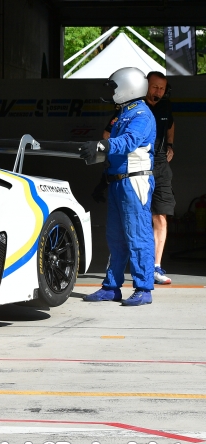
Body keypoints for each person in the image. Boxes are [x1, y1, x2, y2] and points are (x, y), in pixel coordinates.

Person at [81, 67, 156, 306]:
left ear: (127, 86)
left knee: (138, 235)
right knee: (115, 238)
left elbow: (129, 141)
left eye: (114, 87)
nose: (111, 92)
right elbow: (117, 152)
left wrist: (102, 146)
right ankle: (111, 287)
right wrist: (104, 179)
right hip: (118, 181)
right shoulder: (124, 113)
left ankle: (144, 289)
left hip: (134, 181)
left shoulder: (141, 114)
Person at [102, 71, 175, 284]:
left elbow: (134, 138)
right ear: (144, 85)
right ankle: (112, 283)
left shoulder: (148, 112)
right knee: (119, 230)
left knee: (151, 221)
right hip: (125, 173)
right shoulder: (126, 110)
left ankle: (150, 274)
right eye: (155, 87)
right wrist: (105, 149)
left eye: (162, 88)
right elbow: (108, 134)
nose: (158, 92)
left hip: (146, 171)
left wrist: (170, 145)